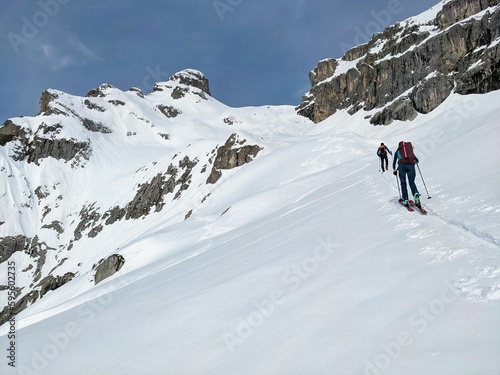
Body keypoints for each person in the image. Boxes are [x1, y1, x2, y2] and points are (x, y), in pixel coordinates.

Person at [393, 141, 421, 208]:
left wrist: (394, 170)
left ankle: (405, 199)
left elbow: (394, 163)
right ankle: (416, 194)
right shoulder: (409, 150)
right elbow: (416, 159)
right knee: (412, 182)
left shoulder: (397, 151)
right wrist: (415, 161)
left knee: (403, 183)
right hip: (411, 166)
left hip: (402, 167)